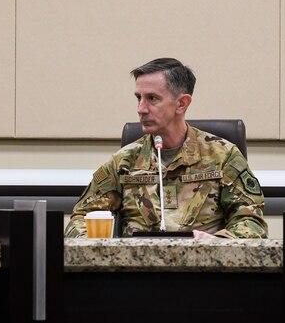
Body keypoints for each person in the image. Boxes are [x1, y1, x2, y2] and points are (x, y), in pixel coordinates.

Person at [65, 57, 267, 238]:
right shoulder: (125, 161)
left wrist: (218, 243)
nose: (141, 109)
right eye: (139, 98)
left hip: (205, 271)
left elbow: (251, 222)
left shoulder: (223, 156)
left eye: (152, 98)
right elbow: (81, 217)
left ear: (181, 104)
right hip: (137, 273)